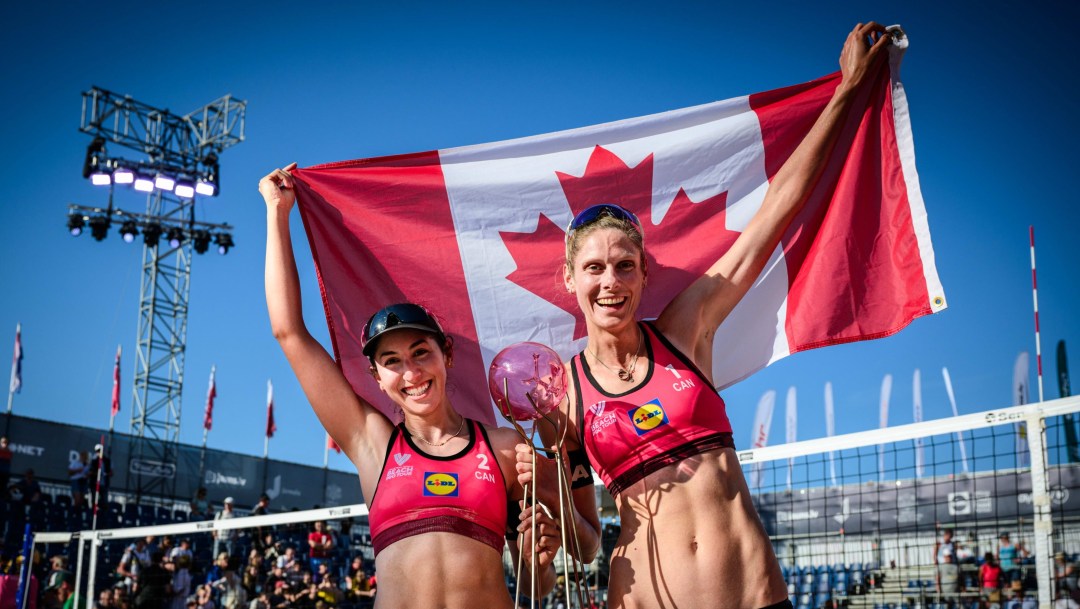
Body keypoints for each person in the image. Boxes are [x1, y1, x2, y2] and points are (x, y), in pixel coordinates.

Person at [517, 22, 894, 609]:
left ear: (644, 274)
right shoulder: (560, 398)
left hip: (752, 594)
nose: (609, 282)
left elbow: (774, 213)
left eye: (624, 266)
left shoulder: (685, 329)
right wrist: (546, 507)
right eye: (593, 268)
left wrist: (847, 89)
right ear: (569, 280)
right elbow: (586, 543)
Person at [261, 166, 562, 608]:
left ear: (447, 357)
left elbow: (537, 587)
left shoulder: (502, 448)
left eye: (422, 353)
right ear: (377, 380)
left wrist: (541, 557)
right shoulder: (373, 444)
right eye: (392, 362)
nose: (412, 372)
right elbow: (288, 332)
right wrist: (276, 212)